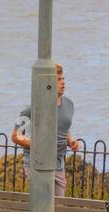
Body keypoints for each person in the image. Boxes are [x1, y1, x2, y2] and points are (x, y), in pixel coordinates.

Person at [11, 62, 80, 196]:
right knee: (42, 206)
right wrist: (38, 145)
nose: (63, 83)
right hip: (37, 164)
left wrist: (71, 142)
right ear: (48, 84)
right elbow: (15, 136)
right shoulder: (33, 108)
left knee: (58, 207)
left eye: (63, 79)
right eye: (58, 79)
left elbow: (63, 127)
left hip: (58, 164)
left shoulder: (69, 104)